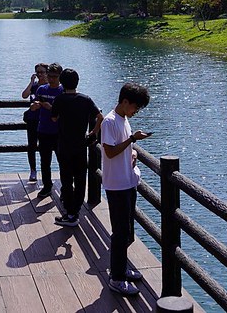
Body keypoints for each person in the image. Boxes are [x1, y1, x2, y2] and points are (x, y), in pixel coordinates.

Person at [100, 82, 151, 296]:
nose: (136, 111)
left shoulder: (124, 119)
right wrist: (132, 139)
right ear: (124, 101)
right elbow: (110, 152)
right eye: (135, 107)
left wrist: (132, 151)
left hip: (128, 181)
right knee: (121, 233)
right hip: (117, 185)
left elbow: (120, 149)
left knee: (128, 232)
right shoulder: (110, 122)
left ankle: (121, 268)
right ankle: (117, 278)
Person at [50, 68, 102, 227]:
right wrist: (93, 132)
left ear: (62, 82)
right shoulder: (86, 100)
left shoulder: (59, 100)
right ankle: (76, 212)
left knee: (66, 179)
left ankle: (69, 213)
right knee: (80, 179)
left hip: (64, 146)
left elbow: (53, 118)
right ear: (77, 82)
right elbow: (100, 117)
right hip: (81, 145)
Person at [33, 62, 65, 198]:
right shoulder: (41, 90)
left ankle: (65, 188)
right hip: (44, 130)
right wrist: (34, 106)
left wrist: (49, 107)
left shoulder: (63, 91)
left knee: (62, 161)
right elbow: (35, 104)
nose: (51, 79)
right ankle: (47, 186)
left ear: (60, 77)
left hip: (59, 132)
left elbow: (66, 112)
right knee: (45, 161)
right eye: (49, 76)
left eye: (54, 76)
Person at [21, 63, 49, 182]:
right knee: (31, 146)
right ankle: (33, 170)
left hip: (45, 121)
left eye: (42, 72)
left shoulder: (50, 87)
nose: (39, 74)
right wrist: (32, 82)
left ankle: (45, 173)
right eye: (38, 72)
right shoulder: (34, 86)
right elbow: (24, 95)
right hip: (32, 120)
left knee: (45, 148)